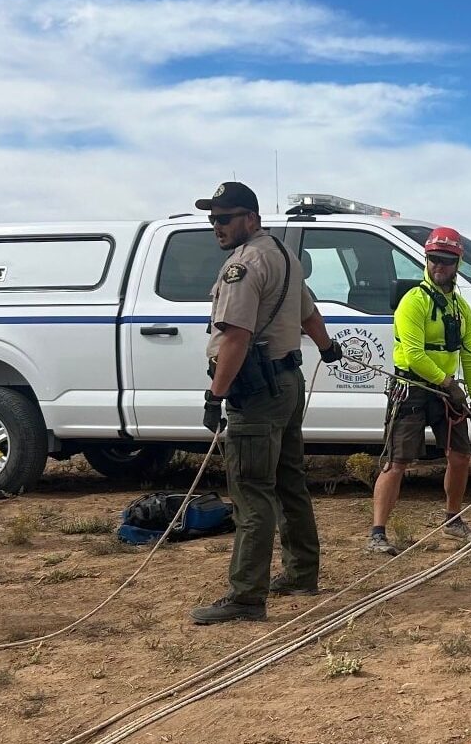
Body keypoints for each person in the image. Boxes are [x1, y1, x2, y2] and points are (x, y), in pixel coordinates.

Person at [188, 182, 343, 625]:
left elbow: (235, 336)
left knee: (252, 489)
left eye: (225, 218)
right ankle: (301, 572)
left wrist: (215, 395)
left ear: (250, 219)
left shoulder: (244, 264)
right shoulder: (285, 256)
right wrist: (326, 347)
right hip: (288, 383)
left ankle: (246, 596)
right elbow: (308, 313)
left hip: (256, 392)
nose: (216, 226)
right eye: (212, 218)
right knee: (289, 479)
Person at [366, 226, 471, 556]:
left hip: (446, 392)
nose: (439, 267)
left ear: (457, 263)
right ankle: (377, 533)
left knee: (461, 456)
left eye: (446, 261)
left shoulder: (460, 308)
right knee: (397, 461)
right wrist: (449, 384)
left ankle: (453, 519)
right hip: (412, 388)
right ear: (426, 259)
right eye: (434, 259)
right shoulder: (413, 302)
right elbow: (415, 356)